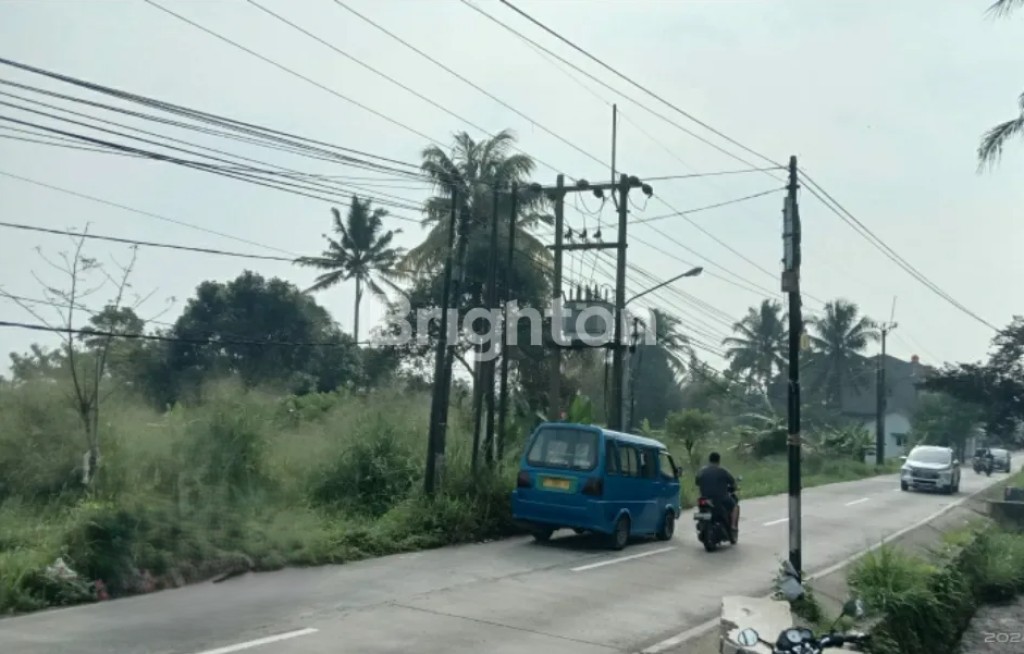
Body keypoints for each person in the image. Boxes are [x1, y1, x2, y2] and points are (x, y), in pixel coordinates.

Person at [696, 452, 739, 534]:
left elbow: (697, 482)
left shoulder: (701, 471)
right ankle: (733, 526)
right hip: (720, 498)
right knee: (735, 507)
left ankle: (701, 522)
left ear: (709, 460)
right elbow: (733, 483)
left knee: (700, 508)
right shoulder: (722, 471)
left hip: (704, 499)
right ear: (719, 460)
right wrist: (735, 488)